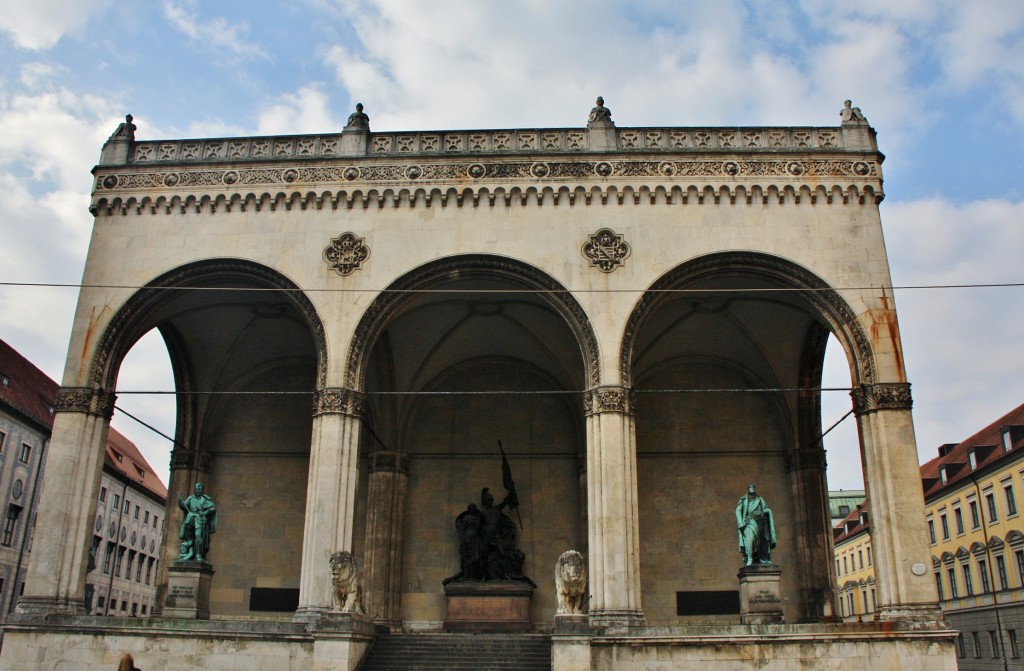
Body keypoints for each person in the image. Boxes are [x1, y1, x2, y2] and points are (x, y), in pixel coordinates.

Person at [735, 483, 776, 566]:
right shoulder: (744, 499)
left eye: (753, 487)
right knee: (750, 539)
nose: (752, 489)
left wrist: (767, 511)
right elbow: (738, 510)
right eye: (750, 487)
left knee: (761, 540)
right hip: (749, 521)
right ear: (748, 489)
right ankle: (750, 558)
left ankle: (761, 557)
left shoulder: (760, 499)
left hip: (760, 521)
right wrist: (740, 522)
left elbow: (765, 508)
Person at [176, 482, 218, 562]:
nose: (198, 490)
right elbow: (184, 507)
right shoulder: (191, 498)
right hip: (190, 518)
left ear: (202, 490)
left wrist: (205, 512)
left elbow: (213, 508)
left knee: (198, 536)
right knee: (190, 537)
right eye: (197, 489)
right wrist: (180, 503)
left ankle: (198, 554)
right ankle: (190, 552)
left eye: (199, 489)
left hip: (199, 519)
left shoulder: (205, 499)